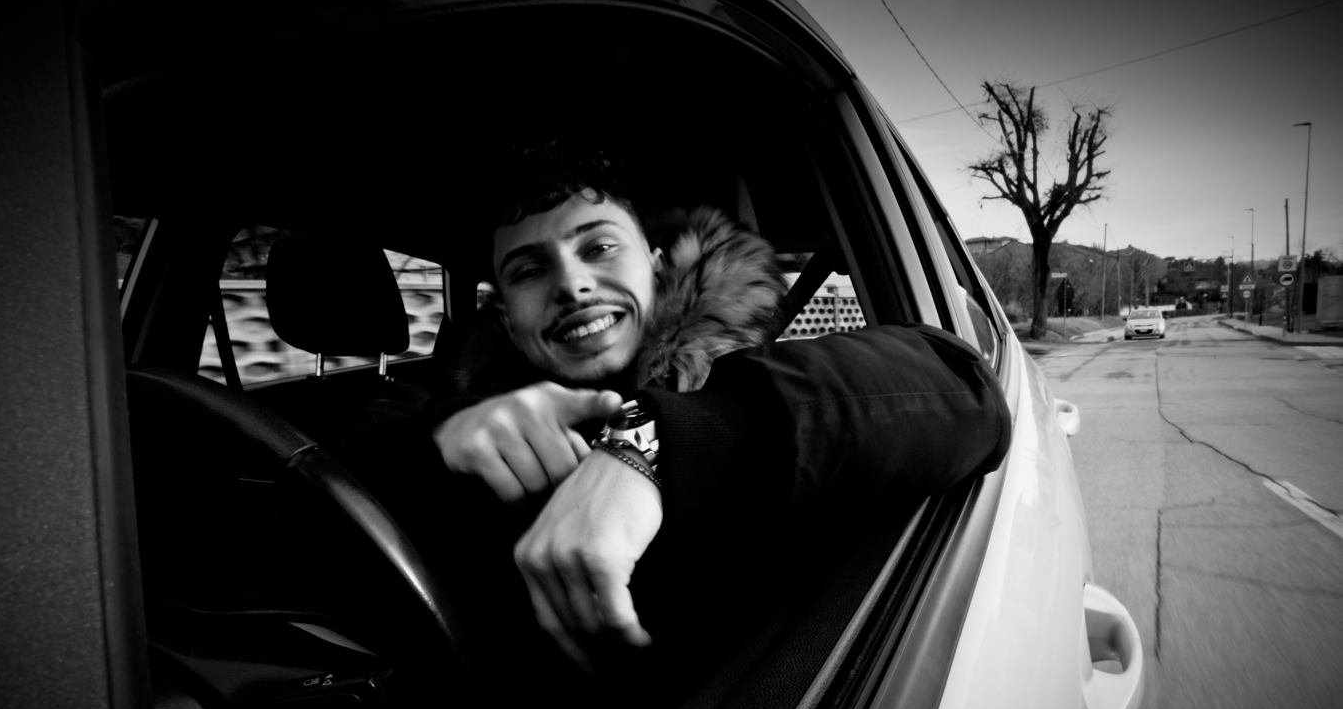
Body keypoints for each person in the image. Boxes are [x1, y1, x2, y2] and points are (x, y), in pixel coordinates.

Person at [404, 145, 1012, 670]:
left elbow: (965, 389)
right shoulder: (474, 426)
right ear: (507, 320)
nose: (571, 285)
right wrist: (442, 435)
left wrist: (651, 443)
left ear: (657, 265)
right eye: (530, 270)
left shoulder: (748, 373)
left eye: (600, 247)